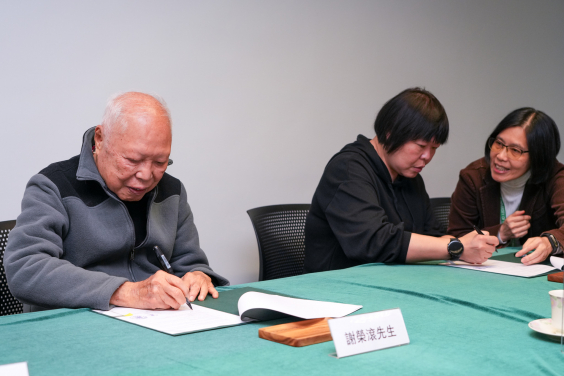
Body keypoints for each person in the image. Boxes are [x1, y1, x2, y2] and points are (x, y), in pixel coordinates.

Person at [4, 92, 228, 312]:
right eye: (133, 160)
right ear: (100, 139)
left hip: (154, 324)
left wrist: (199, 276)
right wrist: (127, 292)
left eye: (160, 162)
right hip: (74, 324)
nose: (146, 175)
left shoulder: (172, 191)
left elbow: (188, 263)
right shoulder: (53, 186)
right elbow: (25, 268)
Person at [304, 88, 498, 273]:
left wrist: (464, 244)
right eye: (421, 146)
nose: (427, 157)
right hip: (336, 293)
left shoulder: (410, 177)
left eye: (434, 148)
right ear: (390, 132)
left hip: (391, 286)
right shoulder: (348, 168)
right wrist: (456, 247)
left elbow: (432, 236)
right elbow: (374, 242)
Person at [448, 108, 564, 265]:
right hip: (485, 272)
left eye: (515, 150)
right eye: (499, 143)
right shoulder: (473, 176)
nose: (500, 156)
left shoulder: (556, 177)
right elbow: (456, 238)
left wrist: (551, 241)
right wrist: (499, 233)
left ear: (538, 156)